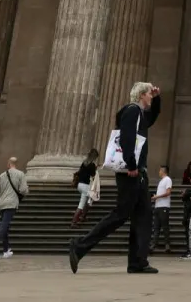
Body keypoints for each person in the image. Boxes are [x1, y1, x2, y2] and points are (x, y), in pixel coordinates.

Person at [69, 80, 162, 276]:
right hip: (131, 172)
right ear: (140, 95)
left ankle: (138, 261)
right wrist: (131, 164)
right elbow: (127, 137)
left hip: (138, 173)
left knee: (143, 216)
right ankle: (80, 245)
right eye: (149, 94)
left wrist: (158, 98)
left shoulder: (140, 114)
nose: (151, 97)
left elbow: (151, 120)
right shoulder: (132, 111)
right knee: (121, 214)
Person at [0, 155, 28, 259]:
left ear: (8, 164)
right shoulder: (20, 174)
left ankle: (6, 250)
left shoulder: (2, 175)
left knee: (4, 225)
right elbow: (24, 190)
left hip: (2, 203)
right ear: (16, 164)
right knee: (4, 226)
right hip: (12, 202)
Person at [151, 164, 173, 253]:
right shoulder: (161, 181)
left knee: (165, 226)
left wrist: (157, 197)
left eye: (160, 170)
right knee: (156, 227)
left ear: (163, 171)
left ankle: (167, 245)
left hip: (164, 206)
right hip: (158, 206)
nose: (159, 172)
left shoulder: (168, 180)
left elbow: (168, 192)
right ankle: (153, 245)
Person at [73, 150, 98, 227]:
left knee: (89, 201)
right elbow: (93, 175)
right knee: (82, 204)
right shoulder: (92, 165)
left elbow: (80, 172)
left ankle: (83, 217)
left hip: (80, 184)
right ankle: (74, 222)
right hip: (85, 186)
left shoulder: (84, 163)